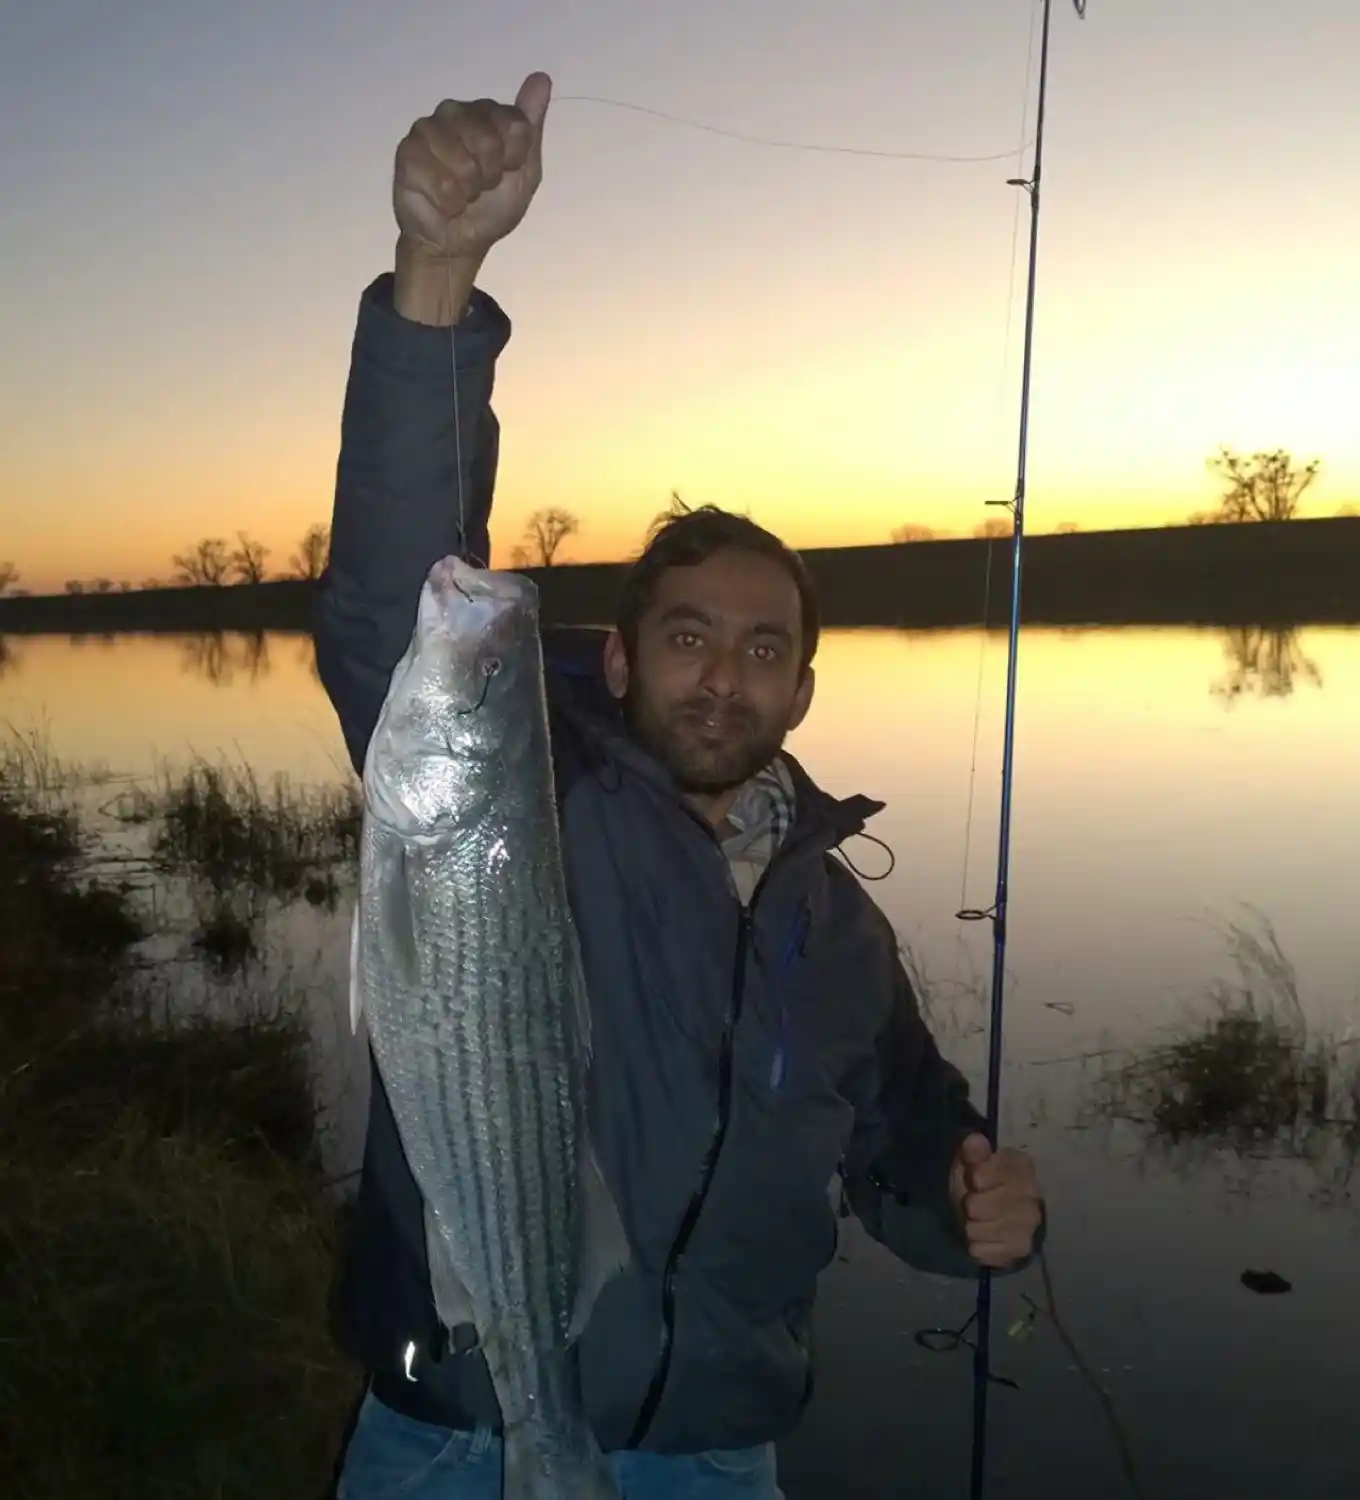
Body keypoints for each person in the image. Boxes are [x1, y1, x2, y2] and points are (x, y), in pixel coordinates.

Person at [313, 72, 1046, 1500]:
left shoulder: (838, 932)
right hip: (457, 1427)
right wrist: (438, 285)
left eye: (763, 649)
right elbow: (389, 609)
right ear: (620, 662)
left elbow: (901, 1132)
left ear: (803, 692)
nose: (724, 677)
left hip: (714, 1456)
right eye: (690, 637)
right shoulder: (542, 800)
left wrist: (973, 1200)